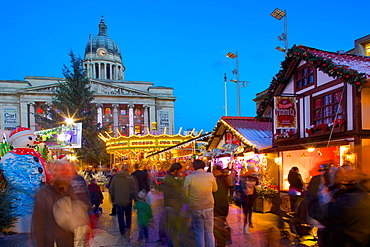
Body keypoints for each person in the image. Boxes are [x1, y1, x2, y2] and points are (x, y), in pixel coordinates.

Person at [309, 165, 370, 247]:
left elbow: (322, 214)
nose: (340, 175)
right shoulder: (356, 195)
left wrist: (316, 187)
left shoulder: (353, 200)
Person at [31, 160, 88, 247]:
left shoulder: (69, 190)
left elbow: (79, 207)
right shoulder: (44, 193)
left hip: (66, 238)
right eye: (63, 171)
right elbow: (38, 223)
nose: (67, 175)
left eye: (69, 172)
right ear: (55, 173)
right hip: (49, 240)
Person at [183, 159, 218, 247]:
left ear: (194, 167)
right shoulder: (210, 176)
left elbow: (185, 194)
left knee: (199, 232)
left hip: (195, 208)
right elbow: (215, 189)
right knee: (209, 231)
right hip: (208, 206)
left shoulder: (189, 178)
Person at [109, 164, 138, 238]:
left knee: (120, 216)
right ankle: (128, 227)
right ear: (128, 170)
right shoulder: (130, 178)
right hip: (128, 200)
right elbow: (133, 190)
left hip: (118, 200)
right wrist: (135, 199)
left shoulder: (115, 177)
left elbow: (111, 188)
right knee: (128, 215)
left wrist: (112, 198)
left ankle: (122, 230)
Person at [163, 163, 184, 247]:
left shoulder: (170, 178)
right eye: (179, 171)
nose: (180, 172)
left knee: (174, 226)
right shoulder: (169, 179)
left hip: (173, 205)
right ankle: (172, 244)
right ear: (175, 170)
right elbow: (175, 191)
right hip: (172, 205)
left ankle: (173, 242)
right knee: (173, 227)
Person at [212, 165, 231, 247]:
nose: (212, 172)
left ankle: (221, 243)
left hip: (219, 208)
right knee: (221, 225)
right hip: (223, 207)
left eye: (213, 170)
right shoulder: (223, 179)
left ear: (217, 170)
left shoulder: (219, 181)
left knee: (219, 228)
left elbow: (218, 196)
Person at [238, 169, 258, 234]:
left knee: (250, 210)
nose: (250, 172)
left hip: (250, 197)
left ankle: (249, 222)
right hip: (245, 197)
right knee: (246, 211)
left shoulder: (254, 178)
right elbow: (240, 186)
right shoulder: (243, 178)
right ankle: (246, 225)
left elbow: (257, 183)